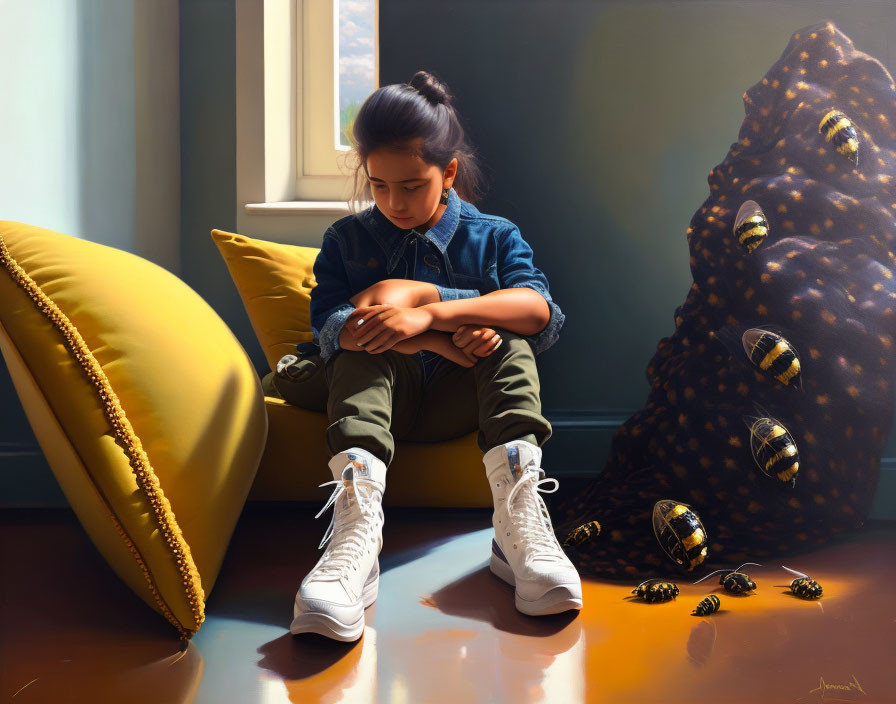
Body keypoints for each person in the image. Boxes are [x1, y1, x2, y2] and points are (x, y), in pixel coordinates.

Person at [288, 70, 582, 642]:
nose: (394, 202)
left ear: (448, 173)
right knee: (362, 339)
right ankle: (355, 540)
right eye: (378, 185)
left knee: (509, 340)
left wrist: (432, 311)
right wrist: (433, 337)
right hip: (372, 402)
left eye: (411, 185)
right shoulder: (346, 240)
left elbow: (539, 310)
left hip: (462, 401)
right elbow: (333, 326)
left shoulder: (494, 235)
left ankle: (517, 527)